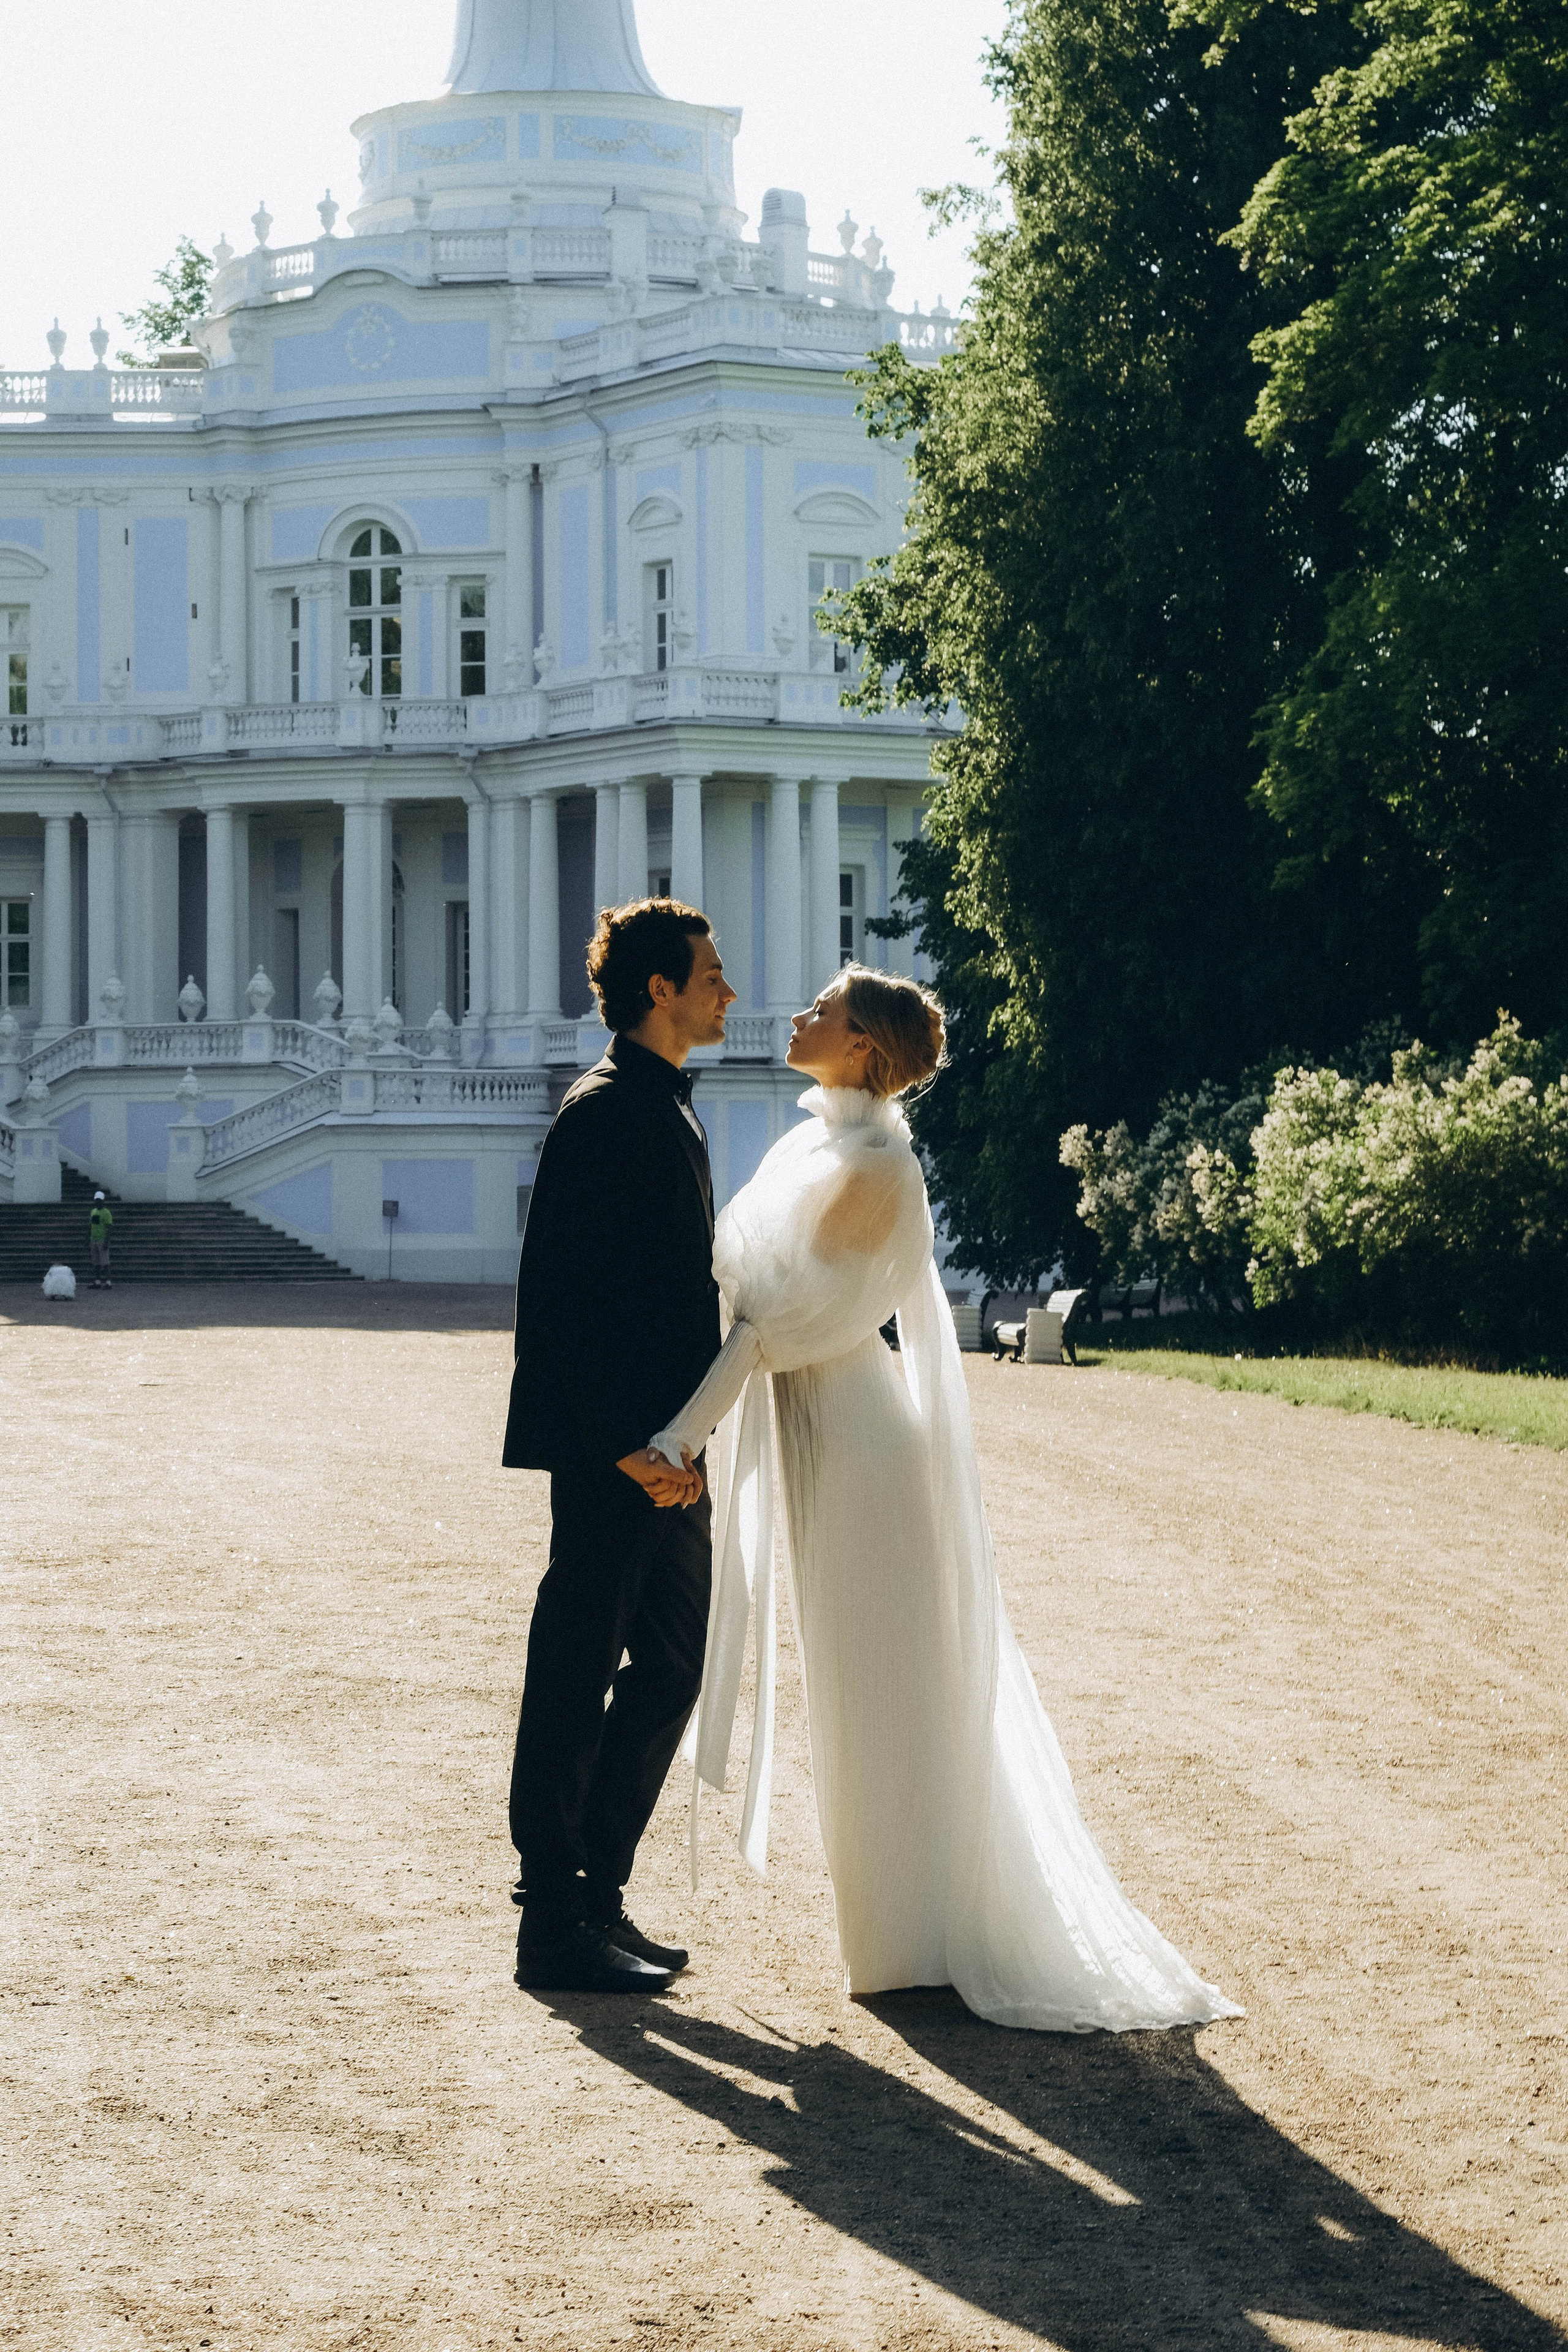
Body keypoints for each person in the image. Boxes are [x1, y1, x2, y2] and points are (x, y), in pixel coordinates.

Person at [649, 965, 1241, 2034]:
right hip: (823, 1430)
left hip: (864, 1446)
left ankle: (913, 1938)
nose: (796, 1015)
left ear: (865, 1049)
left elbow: (777, 1323)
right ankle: (896, 1936)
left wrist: (680, 1434)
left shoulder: (876, 1167)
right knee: (856, 1683)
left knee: (885, 1686)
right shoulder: (822, 1146)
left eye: (822, 1008)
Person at [502, 897, 736, 1996]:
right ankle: (551, 1922)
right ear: (662, 990)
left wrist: (682, 1442)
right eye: (712, 976)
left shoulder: (669, 1109)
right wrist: (620, 1452)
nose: (728, 992)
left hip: (671, 1453)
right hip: (620, 1455)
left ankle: (598, 1892)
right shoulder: (600, 1113)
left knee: (677, 1667)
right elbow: (558, 1304)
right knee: (575, 1667)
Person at [88, 1191, 113, 1289]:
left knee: (105, 1262)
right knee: (96, 1262)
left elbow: (109, 1228)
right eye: (97, 1200)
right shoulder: (93, 1212)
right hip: (94, 1239)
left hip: (102, 1239)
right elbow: (91, 1226)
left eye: (100, 1200)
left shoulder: (106, 1213)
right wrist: (88, 1238)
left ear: (103, 1201)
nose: (98, 1202)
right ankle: (98, 1281)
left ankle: (108, 1282)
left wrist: (107, 1241)